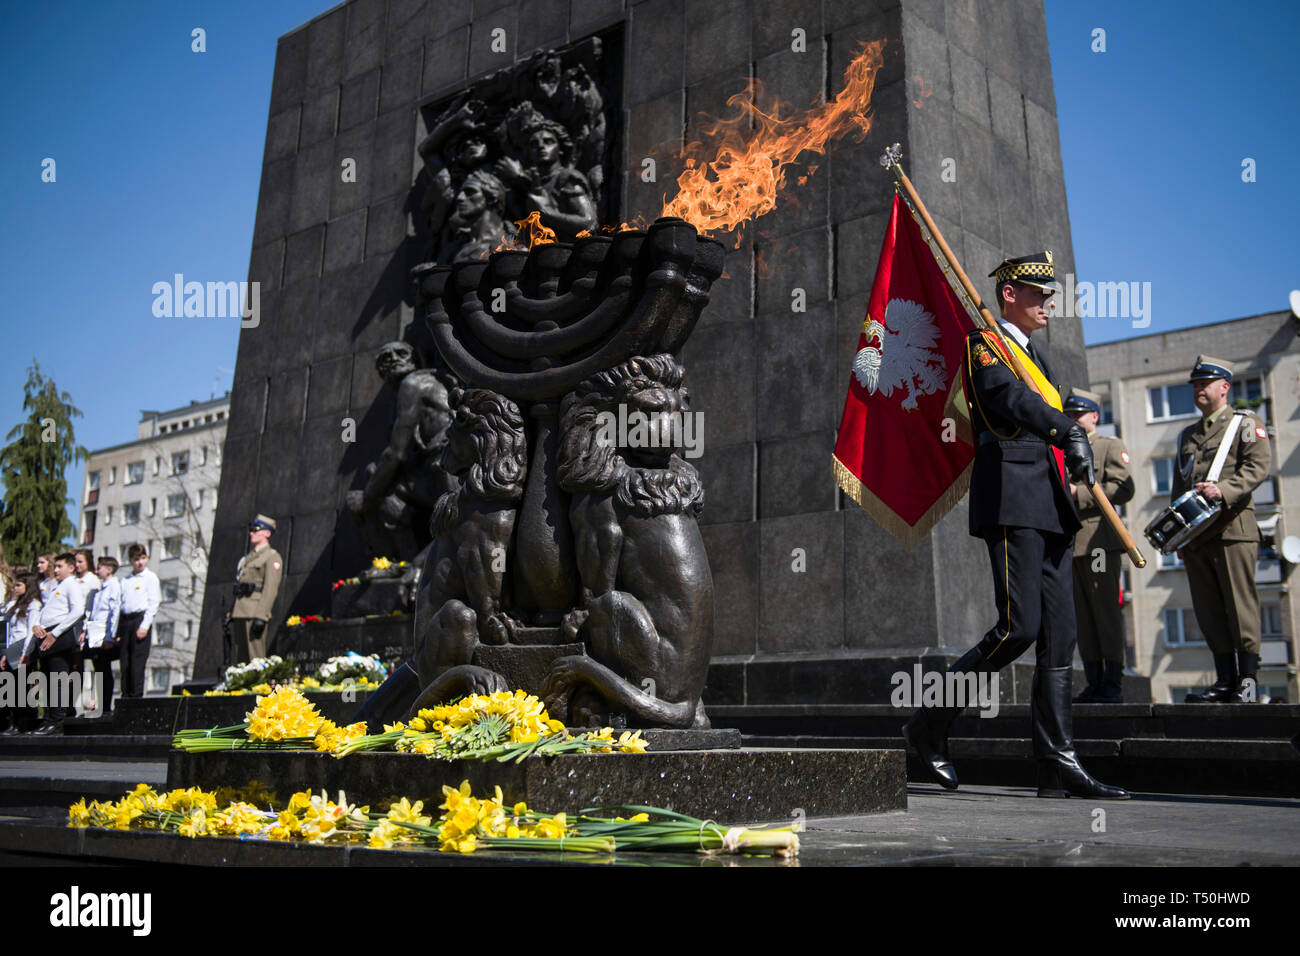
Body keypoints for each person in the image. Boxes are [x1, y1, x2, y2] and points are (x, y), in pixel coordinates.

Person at [902, 251, 1129, 799]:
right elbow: (1010, 400)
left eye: (1049, 293)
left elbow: (1035, 402)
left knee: (1060, 638)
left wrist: (1067, 442)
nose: (1046, 301)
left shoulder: (1034, 355)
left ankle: (1057, 761)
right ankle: (927, 727)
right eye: (1036, 292)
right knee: (1017, 628)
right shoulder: (986, 346)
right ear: (1009, 295)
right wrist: (1067, 430)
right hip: (1012, 498)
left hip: (1050, 504)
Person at [1173, 356, 1271, 703]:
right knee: (1208, 609)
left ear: (1224, 387)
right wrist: (1179, 536)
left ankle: (1247, 680)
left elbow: (1258, 466)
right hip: (1198, 537)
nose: (1198, 389)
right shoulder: (1188, 434)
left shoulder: (1244, 424)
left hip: (1233, 529)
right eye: (1196, 384)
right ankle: (1224, 679)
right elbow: (1180, 487)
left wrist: (1224, 490)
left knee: (1240, 605)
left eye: (1205, 383)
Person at [1064, 388, 1136, 702]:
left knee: (1104, 611)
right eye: (1069, 415)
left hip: (1098, 543)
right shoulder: (1062, 448)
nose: (1074, 420)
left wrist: (1079, 494)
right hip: (1069, 542)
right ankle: (1093, 679)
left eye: (1079, 414)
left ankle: (1112, 681)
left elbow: (1123, 488)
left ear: (1094, 416)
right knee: (1082, 616)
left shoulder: (1108, 446)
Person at [27, 553, 86, 733]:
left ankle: (56, 721)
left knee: (57, 680)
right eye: (55, 566)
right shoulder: (57, 586)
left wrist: (56, 632)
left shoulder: (71, 584)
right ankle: (47, 719)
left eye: (60, 566)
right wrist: (38, 625)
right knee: (46, 680)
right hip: (46, 635)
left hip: (59, 637)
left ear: (71, 568)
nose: (56, 570)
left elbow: (77, 610)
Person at [231, 515, 283, 663]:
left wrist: (261, 616)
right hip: (240, 611)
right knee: (241, 660)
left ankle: (258, 686)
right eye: (251, 530)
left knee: (255, 658)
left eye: (256, 530)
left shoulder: (272, 557)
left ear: (267, 533)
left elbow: (270, 589)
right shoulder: (247, 558)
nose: (251, 533)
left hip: (254, 612)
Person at [79, 556, 122, 718]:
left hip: (104, 634)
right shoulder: (100, 590)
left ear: (109, 570)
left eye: (100, 568)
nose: (97, 571)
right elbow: (93, 613)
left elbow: (114, 611)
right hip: (95, 633)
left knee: (104, 669)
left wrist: (110, 637)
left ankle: (105, 706)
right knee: (98, 669)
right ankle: (100, 704)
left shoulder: (114, 587)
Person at [1, 572, 42, 734]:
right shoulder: (16, 605)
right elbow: (12, 632)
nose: (15, 588)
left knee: (22, 689)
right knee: (10, 688)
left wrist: (26, 654)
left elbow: (30, 631)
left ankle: (24, 722)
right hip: (12, 651)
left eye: (19, 585)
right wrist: (6, 654)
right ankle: (12, 721)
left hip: (23, 652)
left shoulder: (34, 605)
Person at [118, 544, 161, 698]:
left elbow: (153, 603)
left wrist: (144, 626)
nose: (140, 563)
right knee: (125, 663)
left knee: (137, 663)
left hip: (140, 620)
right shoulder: (125, 580)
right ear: (130, 560)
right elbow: (120, 605)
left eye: (143, 558)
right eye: (136, 559)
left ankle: (136, 697)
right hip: (126, 621)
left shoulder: (150, 578)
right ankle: (125, 695)